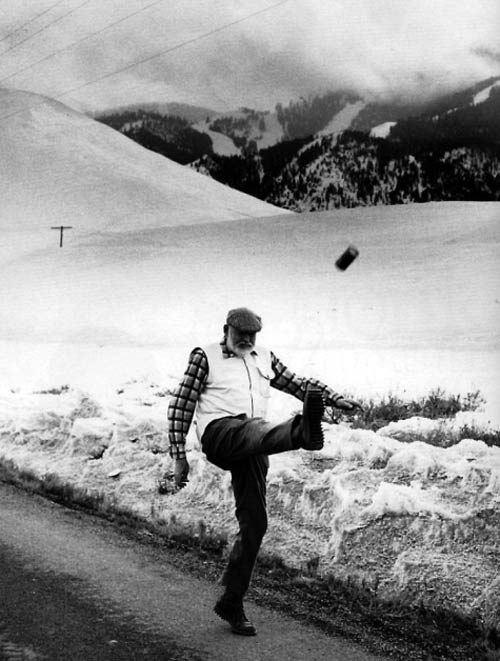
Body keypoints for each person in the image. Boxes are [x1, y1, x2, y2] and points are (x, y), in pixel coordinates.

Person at [166, 307, 362, 636]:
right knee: (254, 429)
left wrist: (333, 397)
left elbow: (298, 383)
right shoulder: (206, 357)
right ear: (225, 329)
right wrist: (178, 455)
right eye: (239, 333)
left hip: (255, 444)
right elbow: (182, 404)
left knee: (256, 522)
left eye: (251, 334)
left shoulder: (264, 357)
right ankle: (302, 433)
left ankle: (231, 601)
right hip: (221, 433)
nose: (245, 339)